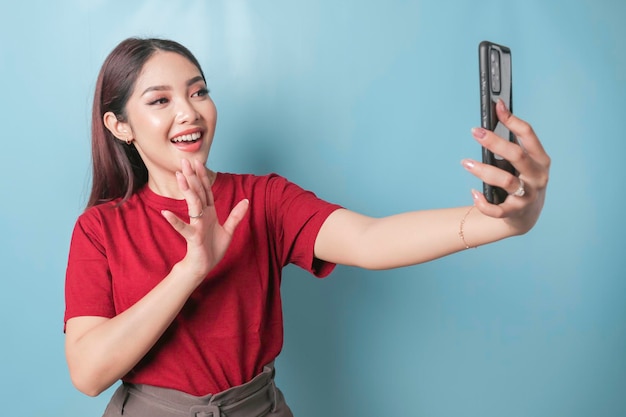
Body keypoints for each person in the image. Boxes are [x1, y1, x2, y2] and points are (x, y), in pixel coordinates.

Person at [64, 37, 550, 417]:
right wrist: (191, 269)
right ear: (119, 125)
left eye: (198, 91)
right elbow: (88, 373)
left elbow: (370, 239)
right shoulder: (99, 230)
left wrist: (505, 222)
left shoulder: (264, 199)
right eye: (160, 100)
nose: (189, 112)